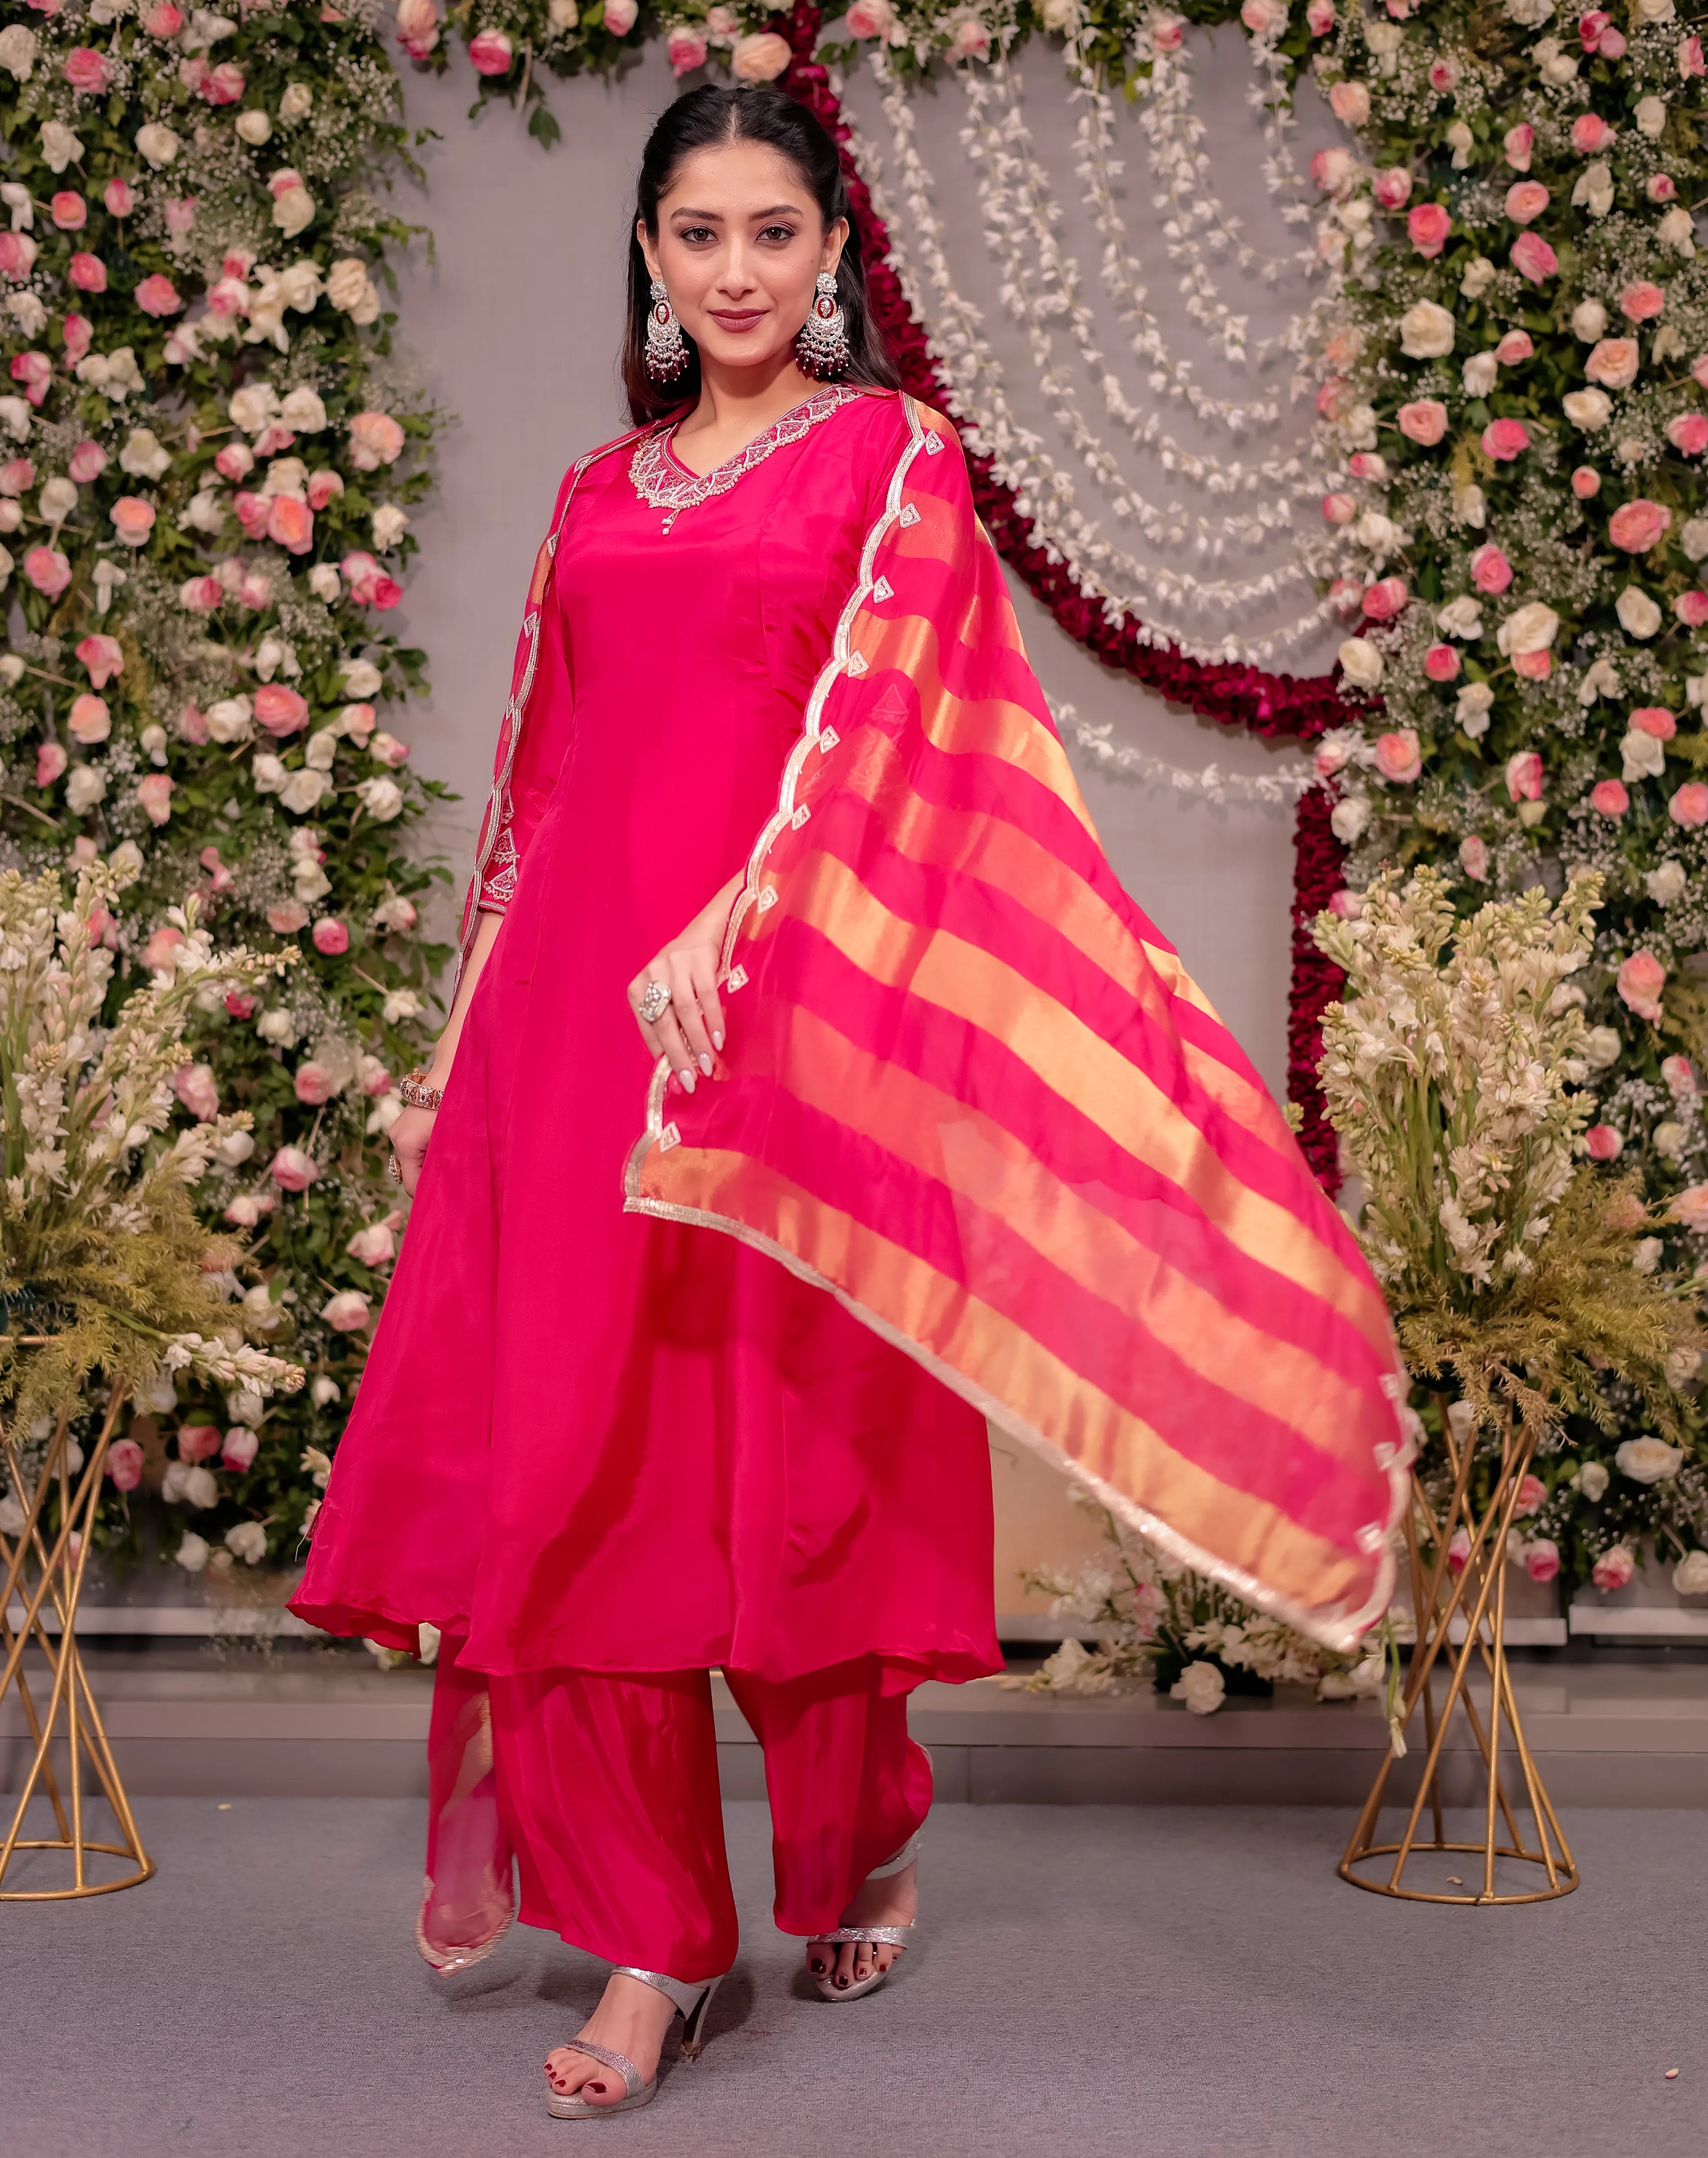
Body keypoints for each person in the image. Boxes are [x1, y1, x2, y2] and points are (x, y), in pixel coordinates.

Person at [293, 79, 1409, 2125]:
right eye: (698, 233)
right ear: (648, 253)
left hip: (780, 1036)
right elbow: (542, 787)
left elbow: (917, 738)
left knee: (785, 1495)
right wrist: (474, 1029)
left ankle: (858, 1832)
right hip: (573, 1034)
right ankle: (651, 1940)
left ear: (829, 258)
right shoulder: (589, 495)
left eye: (772, 235)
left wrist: (737, 916)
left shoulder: (890, 465)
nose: (734, 271)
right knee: (573, 1494)